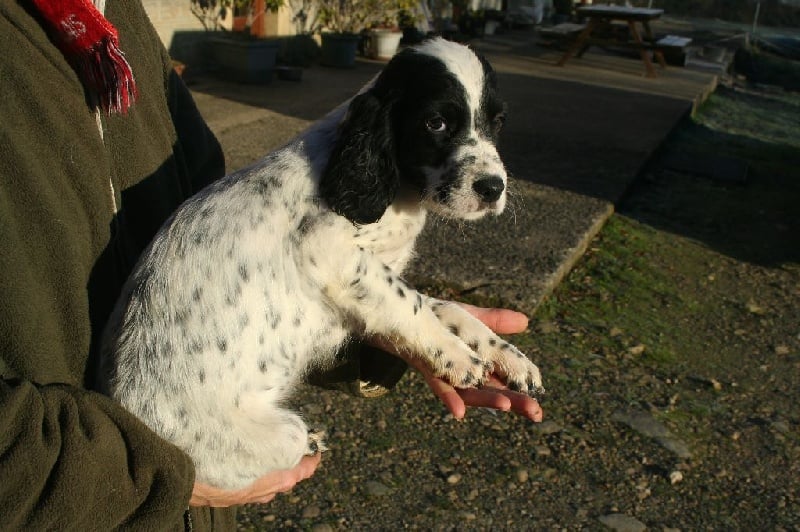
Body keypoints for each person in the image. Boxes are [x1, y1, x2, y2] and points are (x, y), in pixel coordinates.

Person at [0, 1, 542, 530]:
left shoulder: (119, 23)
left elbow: (297, 277)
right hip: (99, 474)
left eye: (490, 123)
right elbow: (334, 260)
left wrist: (431, 331)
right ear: (389, 121)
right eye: (440, 123)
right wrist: (145, 476)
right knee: (288, 438)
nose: (488, 163)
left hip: (165, 414)